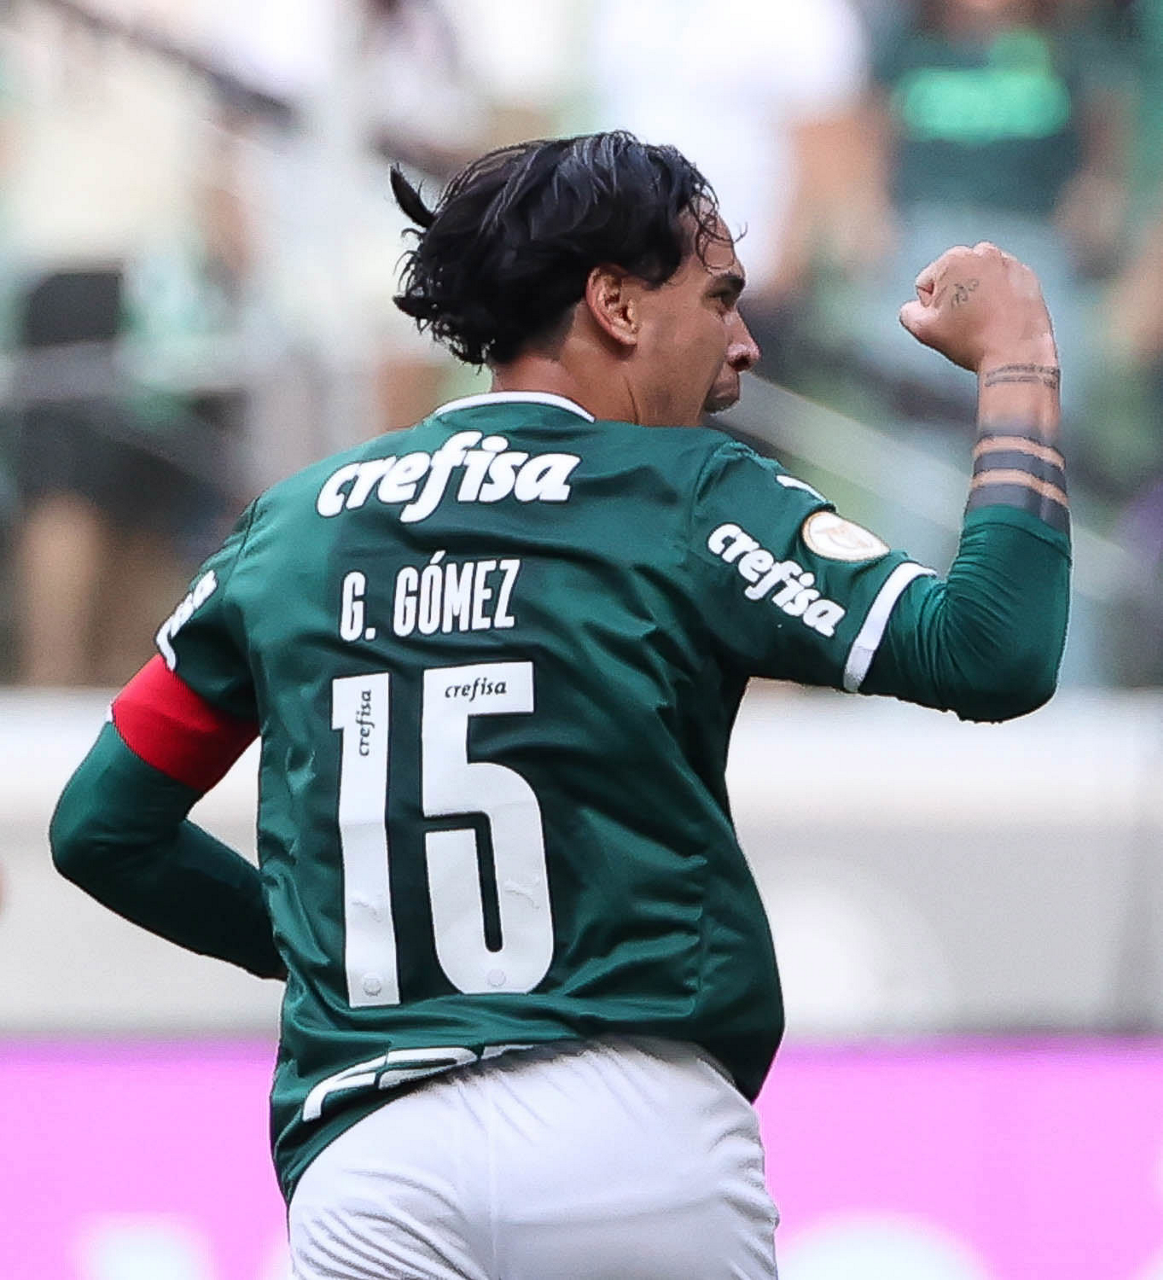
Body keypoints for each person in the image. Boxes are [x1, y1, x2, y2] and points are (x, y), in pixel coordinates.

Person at [49, 133, 1070, 1280]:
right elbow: (992, 649)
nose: (742, 345)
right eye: (718, 297)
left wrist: (324, 946)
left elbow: (101, 827)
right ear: (615, 305)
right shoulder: (684, 494)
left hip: (376, 1153)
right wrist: (1017, 364)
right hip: (637, 1137)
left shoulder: (292, 526)